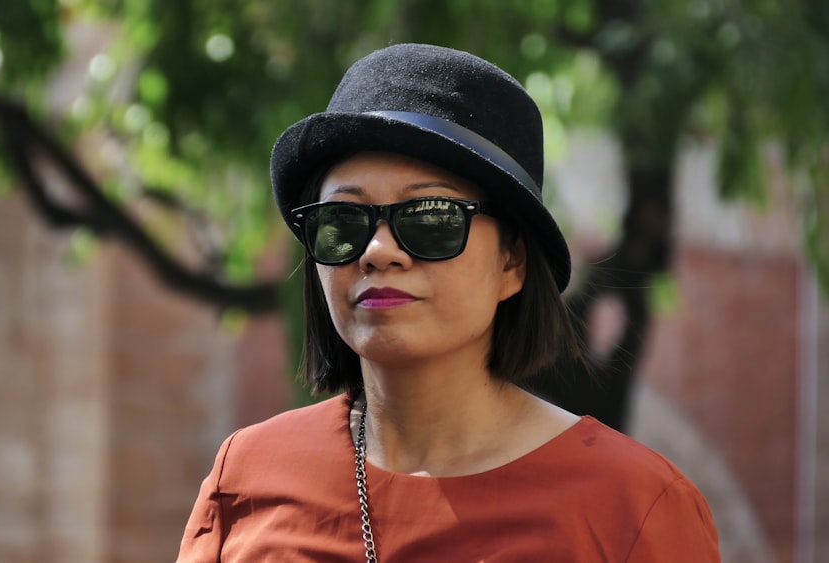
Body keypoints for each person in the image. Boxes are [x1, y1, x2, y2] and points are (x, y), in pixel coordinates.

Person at [177, 43, 720, 562]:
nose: (378, 251)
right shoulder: (248, 476)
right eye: (342, 222)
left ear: (513, 263)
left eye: (431, 219)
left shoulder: (632, 506)